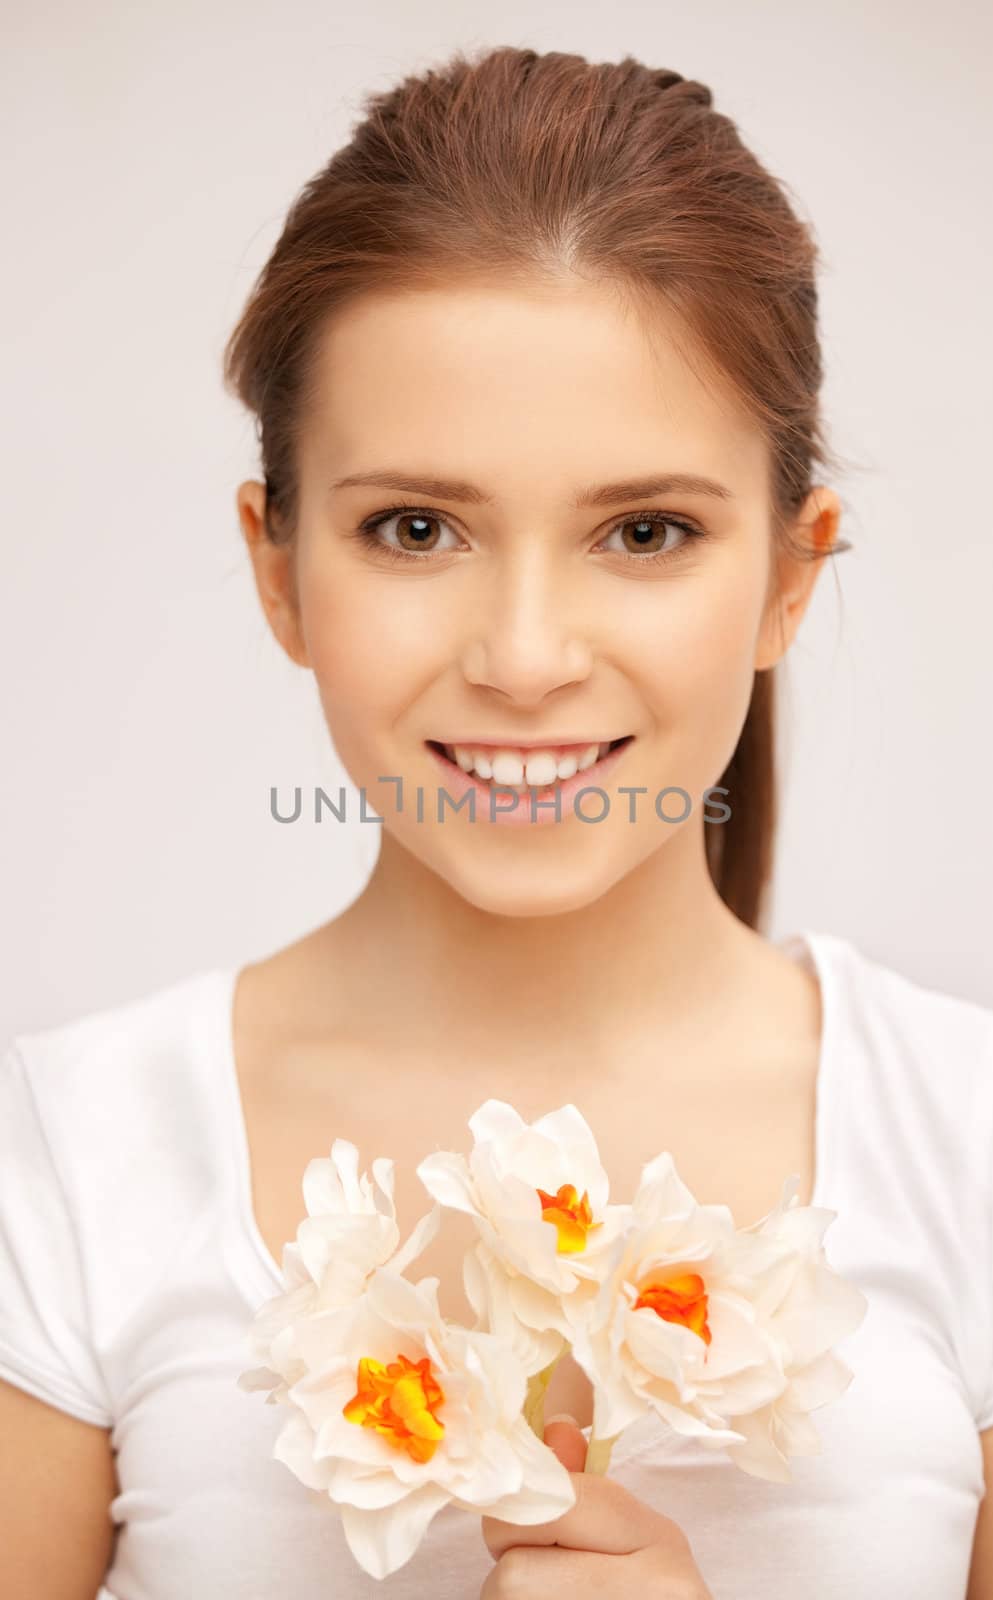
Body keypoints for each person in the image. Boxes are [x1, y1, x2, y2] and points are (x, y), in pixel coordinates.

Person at [1, 43, 991, 1600]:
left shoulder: (971, 1142)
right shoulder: (65, 1163)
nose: (524, 656)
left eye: (644, 531)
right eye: (415, 528)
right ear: (276, 566)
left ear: (790, 575)